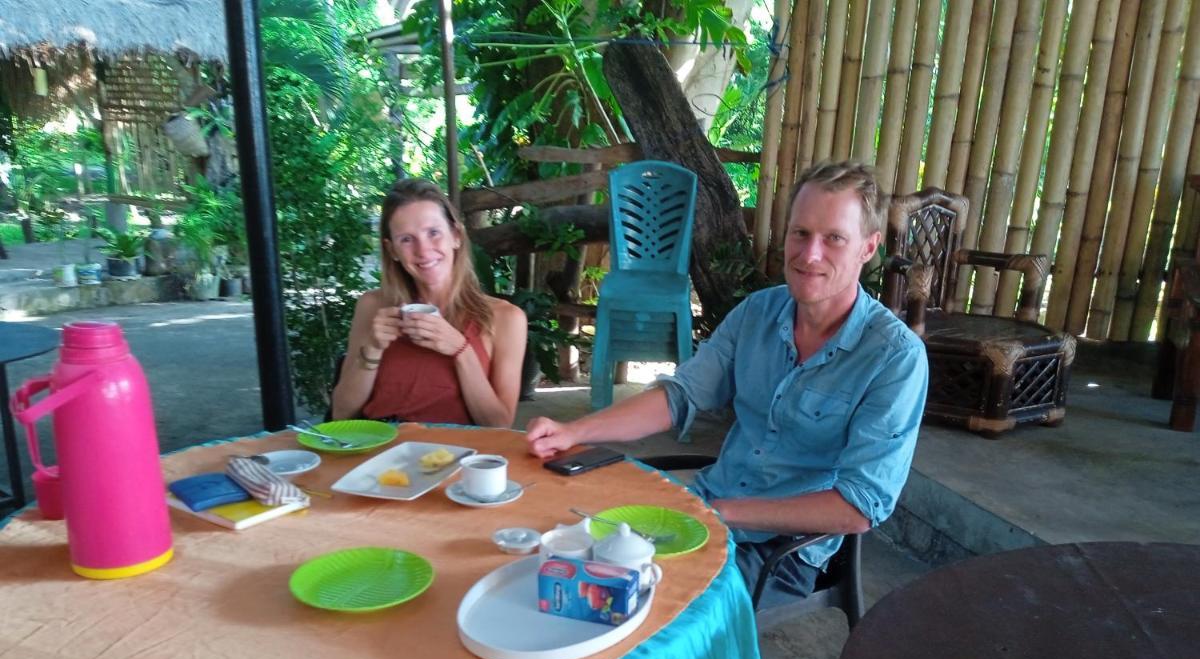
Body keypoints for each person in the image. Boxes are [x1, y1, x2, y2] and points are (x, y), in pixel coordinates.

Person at [526, 161, 929, 611]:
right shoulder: (757, 313)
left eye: (833, 238)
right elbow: (681, 397)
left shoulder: (894, 357)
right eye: (800, 233)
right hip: (708, 512)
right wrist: (574, 433)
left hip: (784, 551)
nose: (809, 254)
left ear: (868, 248)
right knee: (573, 561)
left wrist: (725, 512)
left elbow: (859, 507)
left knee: (646, 608)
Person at [331, 178, 527, 426]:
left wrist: (461, 350)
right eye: (406, 239)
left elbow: (498, 426)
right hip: (380, 451)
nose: (423, 250)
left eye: (433, 233)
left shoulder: (506, 318)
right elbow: (341, 414)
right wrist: (372, 348)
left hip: (454, 455)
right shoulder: (373, 306)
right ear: (392, 250)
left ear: (456, 236)